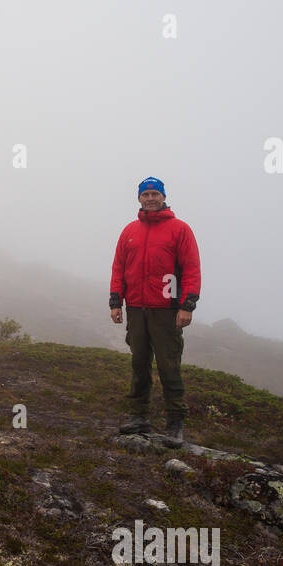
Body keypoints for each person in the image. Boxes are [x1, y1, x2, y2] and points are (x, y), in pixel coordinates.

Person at [109, 177, 201, 442]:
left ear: (163, 197)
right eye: (146, 194)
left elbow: (192, 269)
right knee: (139, 364)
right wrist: (116, 302)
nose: (150, 198)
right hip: (136, 308)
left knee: (168, 364)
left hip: (166, 310)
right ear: (139, 198)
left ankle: (175, 422)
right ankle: (138, 417)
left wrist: (187, 306)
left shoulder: (180, 229)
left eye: (155, 194)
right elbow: (119, 268)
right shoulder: (129, 231)